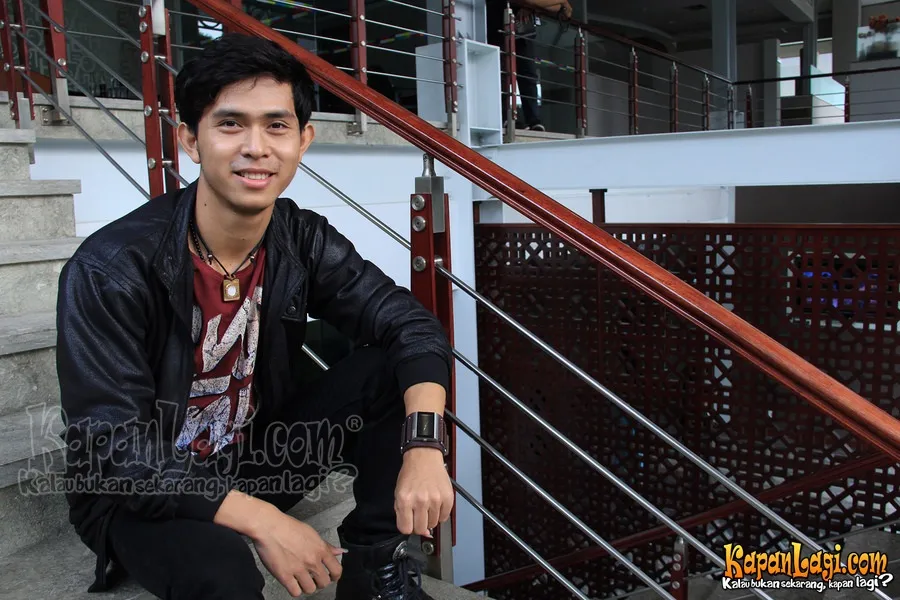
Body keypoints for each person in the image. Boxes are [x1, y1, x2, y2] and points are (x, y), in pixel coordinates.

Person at [55, 33, 454, 600]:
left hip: (257, 458)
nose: (256, 147)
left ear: (303, 139)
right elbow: (113, 449)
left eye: (276, 125)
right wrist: (265, 520)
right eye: (230, 124)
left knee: (392, 368)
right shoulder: (111, 268)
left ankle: (375, 572)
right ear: (190, 139)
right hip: (140, 490)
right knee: (222, 575)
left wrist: (424, 445)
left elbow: (409, 325)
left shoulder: (300, 238)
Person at [486, 0, 573, 131]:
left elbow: (560, 9)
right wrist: (562, 2)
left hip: (522, 31)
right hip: (499, 26)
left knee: (528, 75)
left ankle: (533, 121)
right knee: (503, 74)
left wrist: (532, 6)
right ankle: (504, 118)